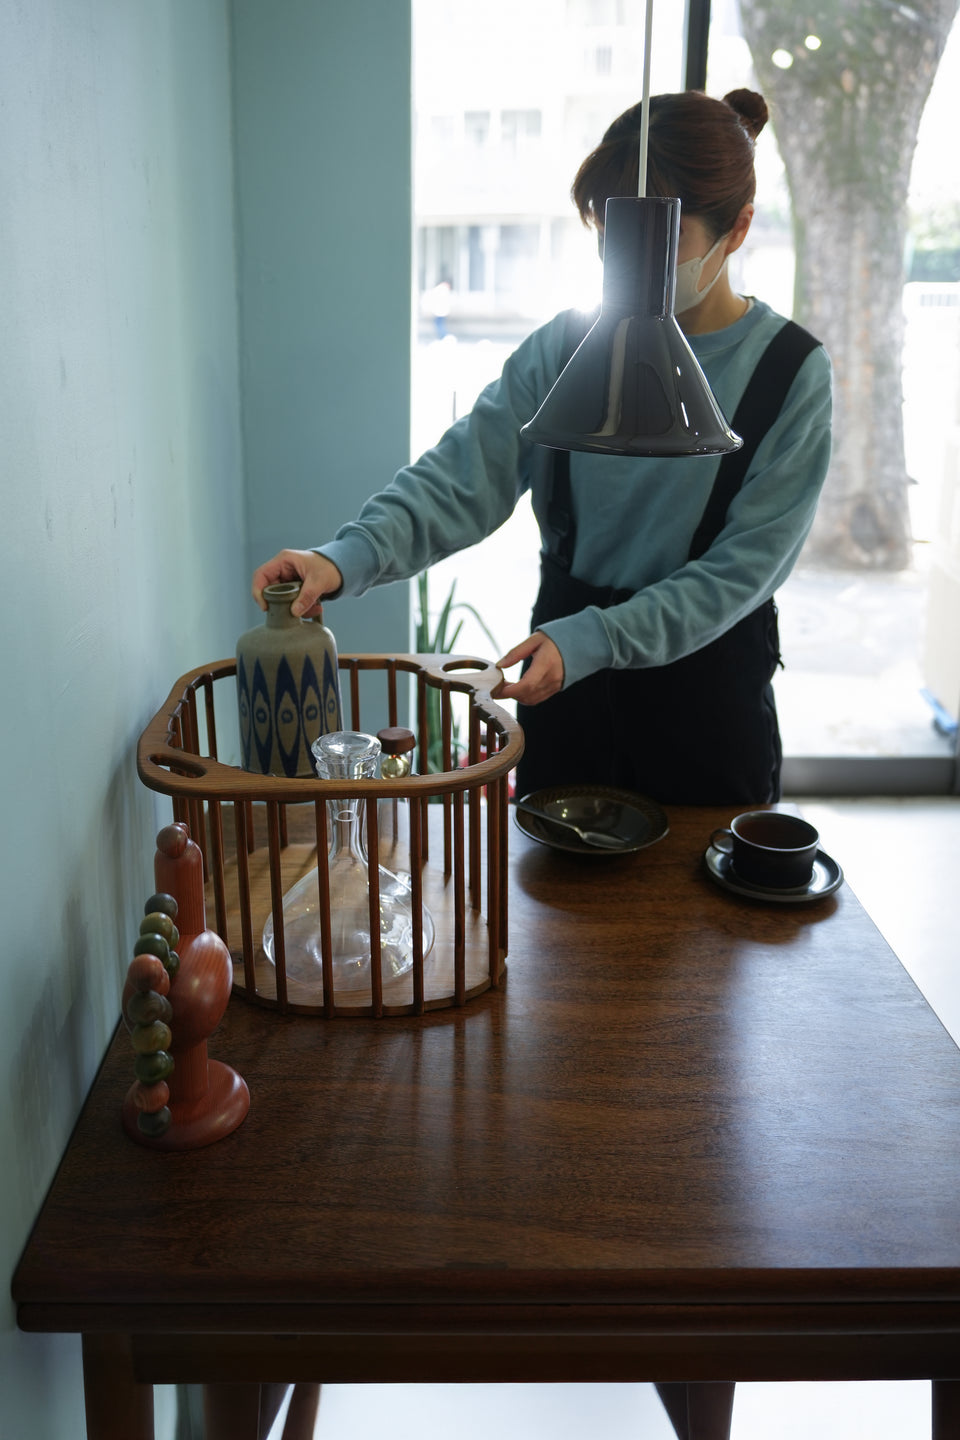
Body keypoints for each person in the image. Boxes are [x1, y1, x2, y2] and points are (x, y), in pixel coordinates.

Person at [252, 89, 832, 806]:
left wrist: (594, 639)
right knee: (555, 909)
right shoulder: (567, 346)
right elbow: (463, 475)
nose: (632, 263)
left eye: (662, 242)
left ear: (737, 230)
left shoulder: (789, 375)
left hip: (706, 697)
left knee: (697, 915)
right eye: (612, 236)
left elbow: (741, 572)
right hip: (565, 683)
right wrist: (341, 558)